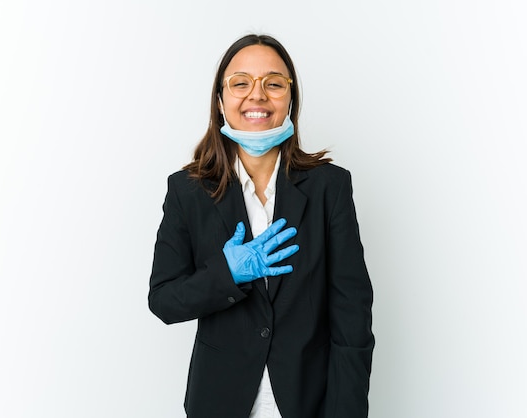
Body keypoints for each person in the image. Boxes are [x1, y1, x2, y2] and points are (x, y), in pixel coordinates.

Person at [148, 33, 374, 418]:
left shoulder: (329, 188)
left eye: (273, 83)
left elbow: (352, 319)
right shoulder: (187, 191)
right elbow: (164, 300)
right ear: (221, 102)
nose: (257, 95)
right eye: (240, 83)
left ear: (290, 99)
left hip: (310, 402)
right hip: (219, 402)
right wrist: (227, 274)